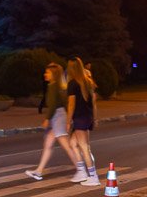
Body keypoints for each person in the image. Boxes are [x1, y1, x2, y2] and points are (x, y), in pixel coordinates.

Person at [25, 63, 79, 180]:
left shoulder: (54, 86)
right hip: (58, 116)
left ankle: (81, 169)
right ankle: (39, 171)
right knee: (48, 143)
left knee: (67, 145)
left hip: (58, 117)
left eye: (47, 72)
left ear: (53, 74)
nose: (45, 74)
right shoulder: (56, 86)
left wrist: (47, 119)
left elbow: (53, 106)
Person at [65, 57, 100, 186]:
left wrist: (68, 121)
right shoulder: (88, 82)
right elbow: (94, 103)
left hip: (79, 118)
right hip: (87, 117)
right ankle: (81, 172)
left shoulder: (73, 84)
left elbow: (71, 105)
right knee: (73, 143)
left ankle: (93, 176)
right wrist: (94, 119)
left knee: (84, 147)